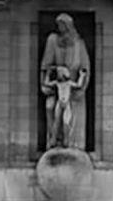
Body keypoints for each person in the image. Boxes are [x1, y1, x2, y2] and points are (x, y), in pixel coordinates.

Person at [39, 13, 91, 150]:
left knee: (69, 119)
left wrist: (82, 87)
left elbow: (84, 68)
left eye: (62, 25)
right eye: (58, 25)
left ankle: (72, 144)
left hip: (73, 91)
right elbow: (45, 65)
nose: (60, 28)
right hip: (57, 88)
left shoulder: (79, 43)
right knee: (51, 109)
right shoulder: (53, 40)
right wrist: (45, 83)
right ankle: (53, 142)